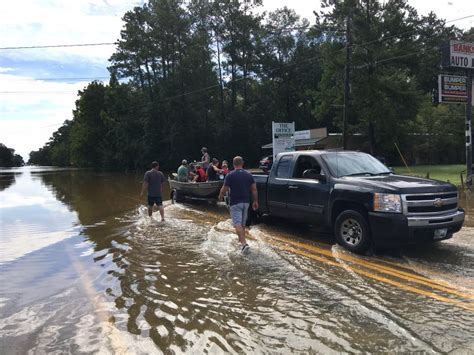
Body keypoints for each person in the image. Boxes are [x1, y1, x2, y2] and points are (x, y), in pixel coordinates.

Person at [218, 156, 258, 253]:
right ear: (242, 163)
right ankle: (241, 241)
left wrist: (220, 196)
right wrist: (255, 201)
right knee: (242, 224)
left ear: (233, 164)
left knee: (237, 224)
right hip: (246, 203)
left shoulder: (230, 175)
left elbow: (224, 188)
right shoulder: (249, 175)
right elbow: (254, 189)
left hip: (235, 203)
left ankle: (244, 244)